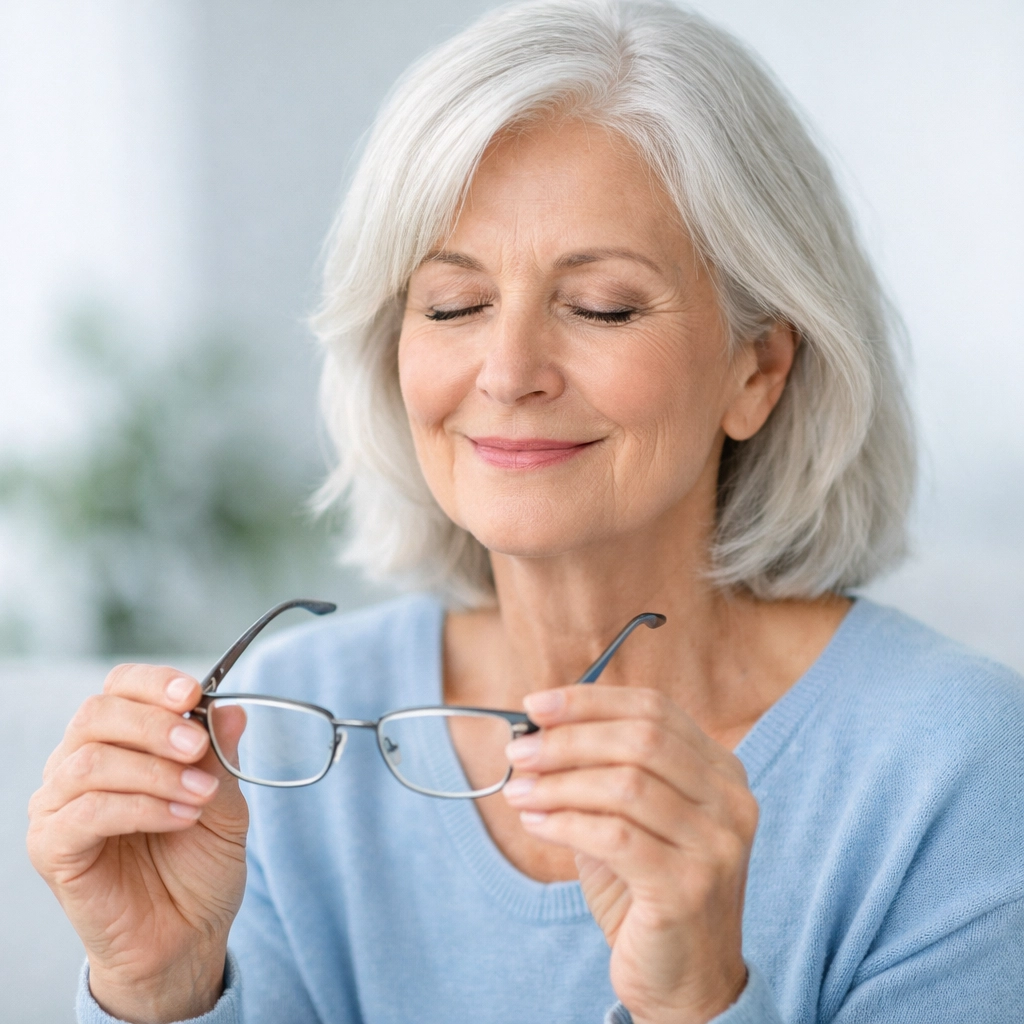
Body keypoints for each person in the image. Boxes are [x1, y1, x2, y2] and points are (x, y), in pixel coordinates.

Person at [27, 1, 1024, 1022]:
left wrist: (696, 1000)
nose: (507, 373)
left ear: (757, 368)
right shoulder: (275, 736)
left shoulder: (957, 763)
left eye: (600, 306)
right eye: (453, 306)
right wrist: (159, 992)